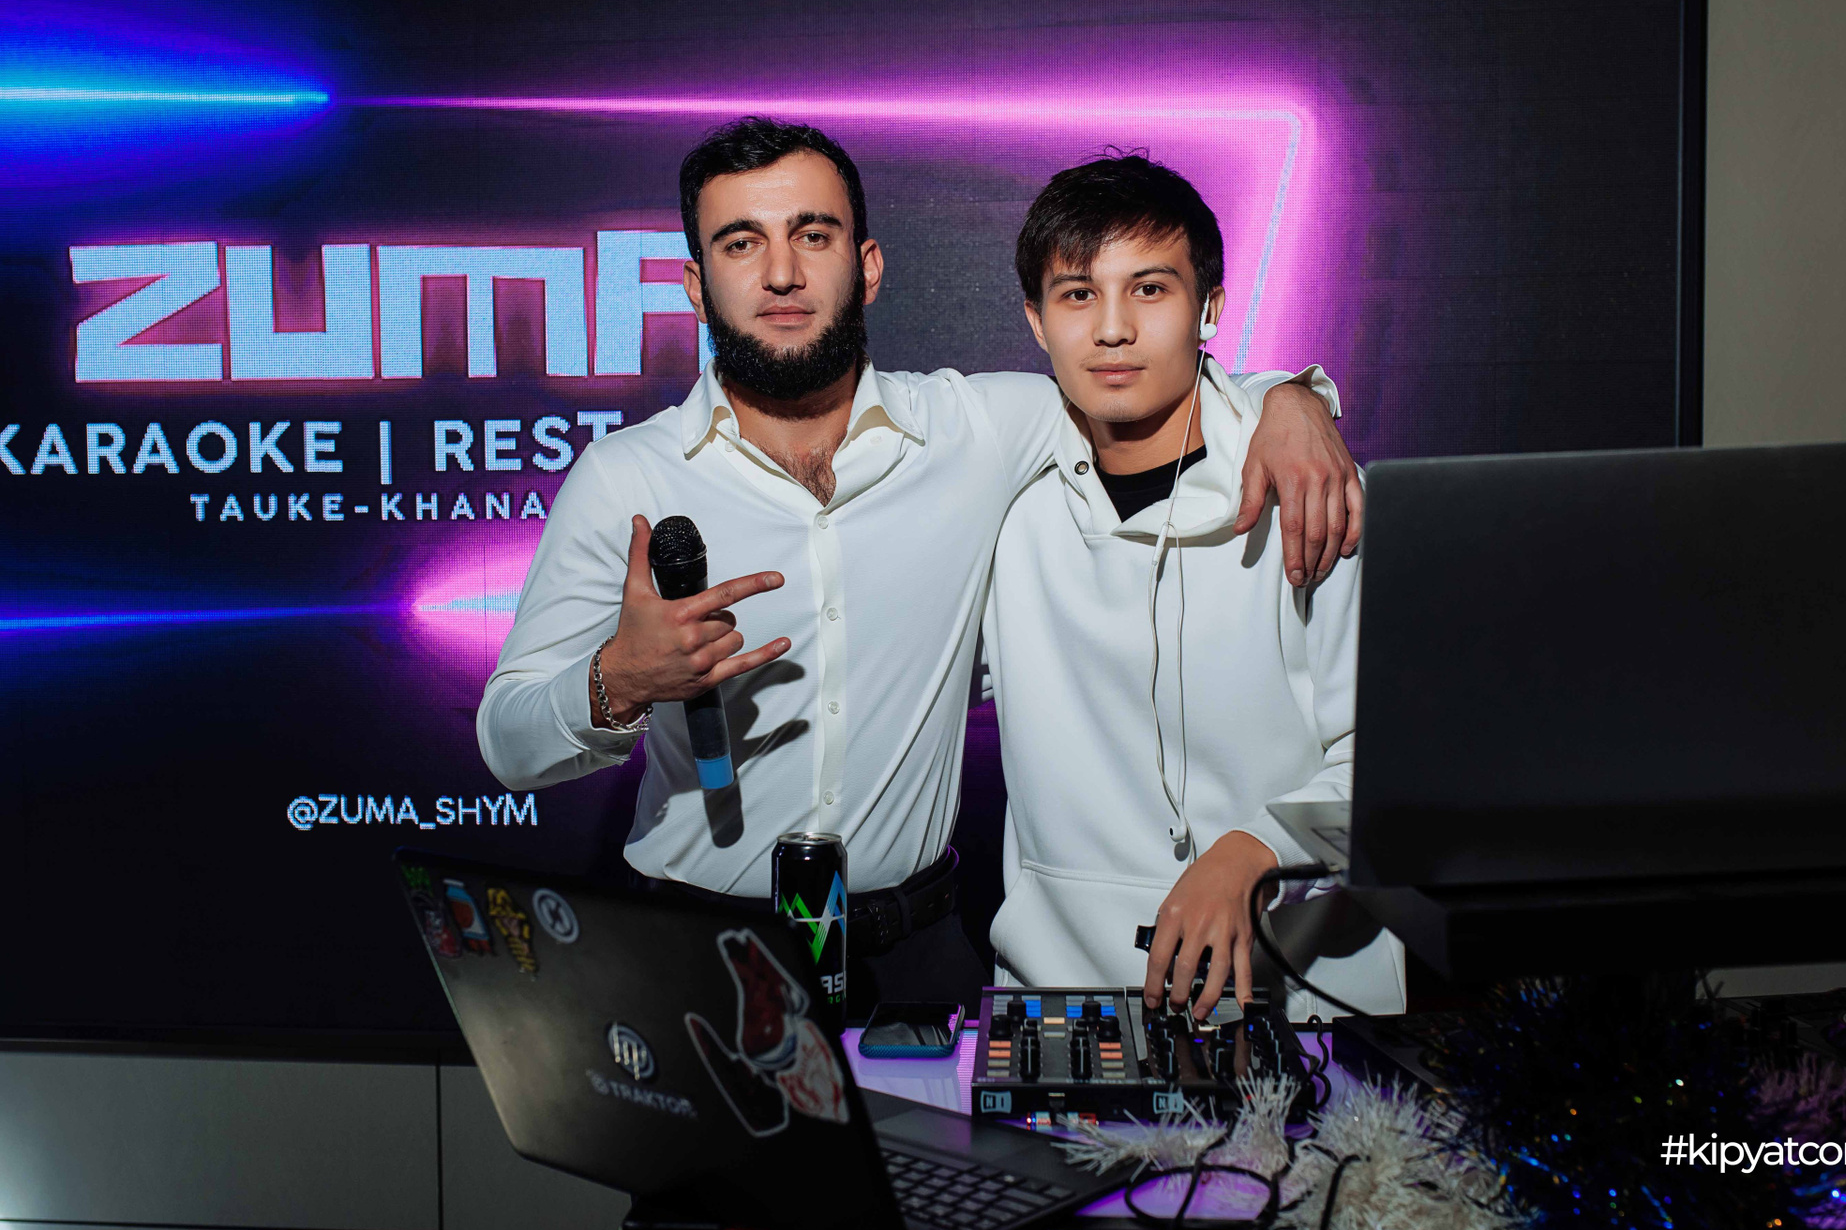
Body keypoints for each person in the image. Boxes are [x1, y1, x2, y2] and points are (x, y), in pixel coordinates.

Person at [477, 118, 1362, 1014]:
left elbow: (1153, 379)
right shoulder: (625, 477)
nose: (780, 273)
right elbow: (508, 742)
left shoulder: (979, 430)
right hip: (694, 952)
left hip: (913, 959)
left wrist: (1290, 400)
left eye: (812, 235)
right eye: (741, 243)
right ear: (695, 287)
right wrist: (615, 683)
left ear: (866, 266)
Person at [982, 154, 1402, 1022]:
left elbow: (1395, 758)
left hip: (1305, 1008)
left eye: (1149, 289)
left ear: (1209, 308)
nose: (1112, 330)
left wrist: (1258, 848)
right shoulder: (1000, 501)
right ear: (1035, 322)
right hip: (1060, 1005)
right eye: (1077, 295)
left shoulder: (1309, 489)